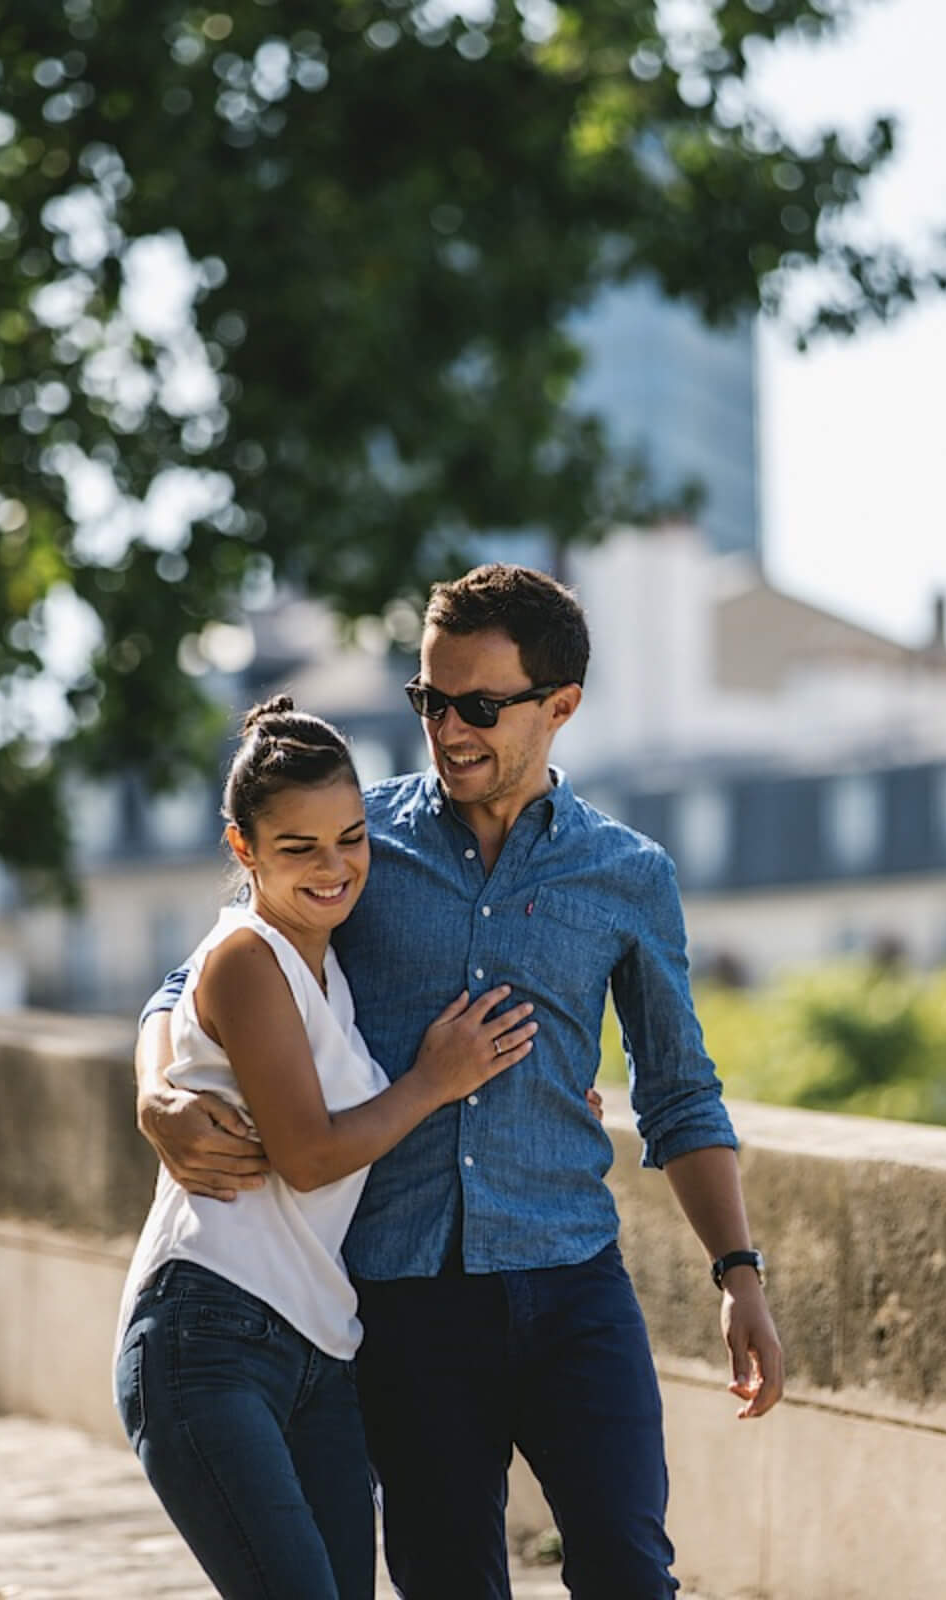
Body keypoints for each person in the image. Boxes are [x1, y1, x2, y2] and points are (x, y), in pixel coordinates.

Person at [136, 564, 785, 1599]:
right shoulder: (359, 842)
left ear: (560, 704)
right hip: (404, 1300)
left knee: (628, 1567)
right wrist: (156, 1093)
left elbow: (678, 1090)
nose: (449, 728)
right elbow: (200, 974)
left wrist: (738, 1272)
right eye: (431, 700)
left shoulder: (627, 875)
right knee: (448, 1582)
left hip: (572, 1283)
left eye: (480, 705)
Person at [113, 696, 539, 1600]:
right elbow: (307, 1156)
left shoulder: (330, 968)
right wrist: (433, 1081)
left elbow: (174, 1003)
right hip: (209, 1333)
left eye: (350, 838)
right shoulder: (249, 956)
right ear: (244, 850)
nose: (336, 867)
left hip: (320, 1347)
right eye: (298, 849)